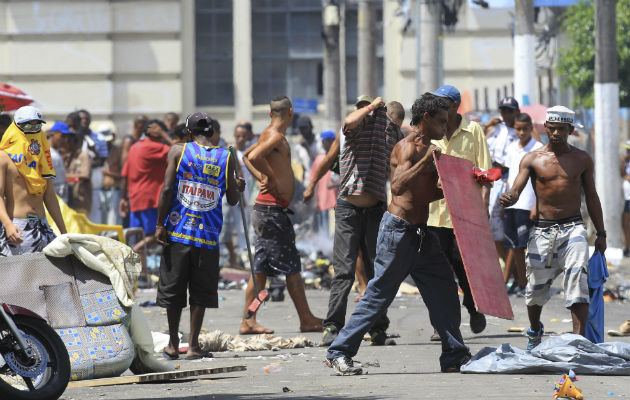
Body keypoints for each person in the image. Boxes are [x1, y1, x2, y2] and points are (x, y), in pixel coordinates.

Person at [325, 93, 471, 375]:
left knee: (445, 291)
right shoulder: (407, 147)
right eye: (441, 121)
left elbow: (425, 193)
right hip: (399, 232)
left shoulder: (431, 149)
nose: (445, 127)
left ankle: (454, 353)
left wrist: (459, 184)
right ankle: (339, 351)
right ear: (426, 119)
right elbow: (400, 184)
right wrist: (427, 160)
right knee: (379, 293)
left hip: (421, 234)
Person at [499, 105, 607, 350]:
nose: (556, 133)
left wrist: (601, 233)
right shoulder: (533, 159)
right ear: (545, 128)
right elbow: (516, 189)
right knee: (535, 290)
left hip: (574, 229)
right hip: (543, 231)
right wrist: (509, 198)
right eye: (552, 128)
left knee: (578, 279)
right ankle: (535, 330)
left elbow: (591, 196)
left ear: (570, 129)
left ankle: (577, 342)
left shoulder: (581, 159)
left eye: (561, 129)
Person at [155, 112, 244, 360]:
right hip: (208, 236)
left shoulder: (178, 151)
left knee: (173, 291)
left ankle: (173, 344)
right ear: (212, 132)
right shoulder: (225, 157)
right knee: (200, 292)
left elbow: (166, 190)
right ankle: (193, 346)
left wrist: (160, 224)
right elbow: (233, 199)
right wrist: (238, 185)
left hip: (178, 232)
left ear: (188, 132)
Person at [321, 96, 405, 346]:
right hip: (348, 208)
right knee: (344, 271)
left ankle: (378, 328)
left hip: (375, 210)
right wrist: (371, 106)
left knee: (375, 271)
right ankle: (332, 327)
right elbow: (348, 121)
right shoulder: (355, 129)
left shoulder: (393, 135)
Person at [239, 95, 322, 334]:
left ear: (269, 113)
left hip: (267, 211)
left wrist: (261, 176)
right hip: (271, 212)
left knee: (260, 272)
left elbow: (246, 156)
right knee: (292, 269)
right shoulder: (274, 136)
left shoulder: (268, 133)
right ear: (291, 113)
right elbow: (252, 157)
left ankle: (248, 320)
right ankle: (306, 319)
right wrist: (269, 177)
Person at [427, 85, 493, 338]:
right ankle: (440, 324)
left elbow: (485, 173)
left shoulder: (473, 130)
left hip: (465, 213)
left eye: (442, 103)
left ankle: (473, 307)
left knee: (463, 265)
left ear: (455, 105)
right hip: (434, 213)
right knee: (437, 270)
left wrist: (483, 210)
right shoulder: (431, 131)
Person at [0, 106, 67, 255]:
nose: (32, 129)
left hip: (43, 225)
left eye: (37, 125)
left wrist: (64, 232)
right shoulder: (3, 158)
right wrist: (8, 224)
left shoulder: (41, 157)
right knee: (19, 277)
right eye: (27, 125)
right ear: (16, 127)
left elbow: (50, 196)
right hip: (18, 227)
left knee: (51, 276)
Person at [502, 113, 542, 294]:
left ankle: (532, 282)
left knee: (527, 246)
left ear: (531, 128)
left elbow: (541, 181)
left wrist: (536, 205)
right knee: (514, 246)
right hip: (512, 204)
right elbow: (510, 179)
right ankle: (523, 283)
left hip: (528, 204)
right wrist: (504, 202)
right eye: (518, 129)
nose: (521, 132)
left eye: (525, 129)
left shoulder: (539, 148)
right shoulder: (511, 148)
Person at [120, 119, 171, 262]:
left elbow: (125, 174)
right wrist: (165, 135)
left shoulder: (134, 147)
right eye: (161, 131)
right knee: (156, 234)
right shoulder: (155, 147)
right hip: (151, 199)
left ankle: (141, 273)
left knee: (139, 237)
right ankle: (129, 255)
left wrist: (123, 198)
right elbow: (179, 149)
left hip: (135, 198)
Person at [484, 97, 519, 269]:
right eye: (503, 110)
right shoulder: (496, 128)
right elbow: (482, 145)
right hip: (493, 176)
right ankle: (505, 267)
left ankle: (511, 270)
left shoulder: (520, 130)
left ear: (516, 112)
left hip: (509, 178)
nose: (505, 114)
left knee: (507, 226)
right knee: (492, 226)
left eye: (509, 111)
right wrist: (486, 126)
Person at [98, 124, 123, 226]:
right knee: (100, 222)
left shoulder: (117, 151)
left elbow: (122, 173)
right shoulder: (96, 150)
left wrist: (108, 173)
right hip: (99, 191)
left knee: (113, 222)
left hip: (114, 190)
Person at [46, 121, 70, 203]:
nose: (65, 140)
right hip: (52, 199)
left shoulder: (57, 152)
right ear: (53, 134)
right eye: (62, 136)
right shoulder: (47, 153)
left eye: (67, 137)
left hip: (62, 198)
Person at [621, 141, 630, 257]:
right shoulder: (627, 163)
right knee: (625, 225)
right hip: (627, 198)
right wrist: (623, 162)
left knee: (626, 224)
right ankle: (627, 248)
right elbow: (621, 173)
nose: (627, 152)